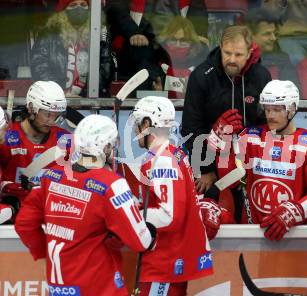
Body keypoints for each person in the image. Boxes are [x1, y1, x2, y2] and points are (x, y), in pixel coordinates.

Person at [15, 114, 156, 295]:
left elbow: (24, 224)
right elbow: (141, 241)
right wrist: (150, 230)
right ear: (106, 147)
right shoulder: (111, 184)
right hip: (99, 286)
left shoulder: (51, 176)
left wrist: (44, 253)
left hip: (59, 286)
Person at [202, 80, 307, 241]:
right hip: (252, 234)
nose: (270, 115)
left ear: (292, 109)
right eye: (267, 109)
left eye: (277, 110)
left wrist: (294, 211)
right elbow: (230, 180)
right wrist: (222, 145)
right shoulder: (251, 137)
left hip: (294, 238)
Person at [131, 96, 213, 295]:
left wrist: (132, 215)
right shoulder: (173, 153)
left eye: (137, 122)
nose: (135, 129)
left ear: (148, 124)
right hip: (168, 262)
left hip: (164, 263)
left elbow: (169, 215)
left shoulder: (163, 160)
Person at [181, 25, 271, 194]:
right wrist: (204, 168)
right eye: (227, 53)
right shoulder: (201, 76)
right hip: (211, 163)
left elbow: (266, 124)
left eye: (238, 55)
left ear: (250, 52)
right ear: (220, 47)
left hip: (252, 163)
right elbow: (191, 126)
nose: (231, 59)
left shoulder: (261, 76)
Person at [0, 81, 69, 224]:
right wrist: (14, 188)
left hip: (52, 219)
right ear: (31, 108)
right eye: (47, 114)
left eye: (56, 115)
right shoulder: (6, 137)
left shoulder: (65, 140)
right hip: (12, 219)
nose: (52, 121)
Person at [31, 0, 113, 97]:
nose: (79, 9)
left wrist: (84, 96)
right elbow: (39, 67)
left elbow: (106, 68)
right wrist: (61, 95)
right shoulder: (49, 33)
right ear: (63, 10)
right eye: (73, 5)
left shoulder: (98, 32)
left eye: (83, 5)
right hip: (56, 101)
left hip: (89, 101)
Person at [156, 16, 209, 99]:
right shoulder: (155, 62)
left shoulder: (202, 65)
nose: (177, 45)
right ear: (165, 41)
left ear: (191, 43)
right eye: (173, 40)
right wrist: (156, 94)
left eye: (183, 40)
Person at [246, 8, 297, 82]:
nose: (273, 38)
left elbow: (291, 89)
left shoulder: (282, 60)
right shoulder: (238, 59)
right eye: (267, 34)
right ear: (250, 35)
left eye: (274, 33)